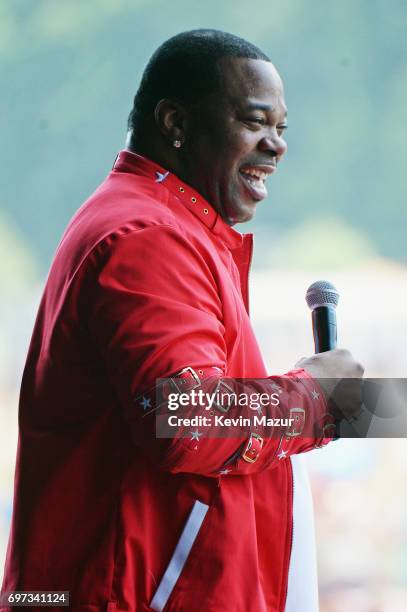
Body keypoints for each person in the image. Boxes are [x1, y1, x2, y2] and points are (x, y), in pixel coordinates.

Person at [1, 29, 363, 612]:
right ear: (175, 123)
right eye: (254, 122)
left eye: (282, 128)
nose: (276, 146)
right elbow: (184, 415)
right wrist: (319, 400)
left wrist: (362, 403)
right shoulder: (147, 237)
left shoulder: (155, 225)